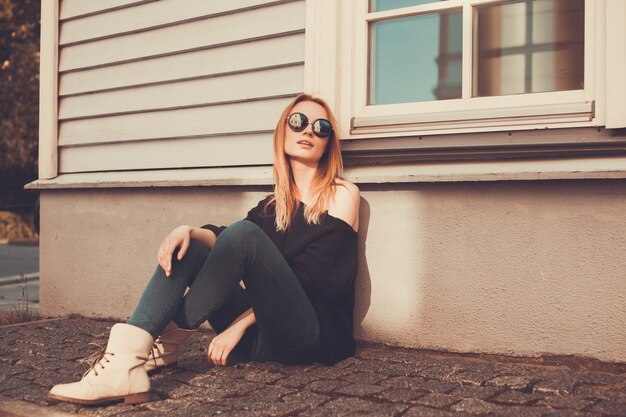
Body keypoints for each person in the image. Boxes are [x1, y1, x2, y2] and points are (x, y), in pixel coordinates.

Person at [48, 94, 360, 406]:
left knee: (243, 235)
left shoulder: (343, 195)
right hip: (261, 339)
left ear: (328, 142)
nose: (308, 131)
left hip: (306, 337)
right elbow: (228, 243)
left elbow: (312, 283)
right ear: (283, 132)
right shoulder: (273, 205)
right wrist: (189, 231)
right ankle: (131, 358)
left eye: (321, 127)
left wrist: (237, 326)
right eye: (298, 122)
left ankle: (151, 346)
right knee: (194, 249)